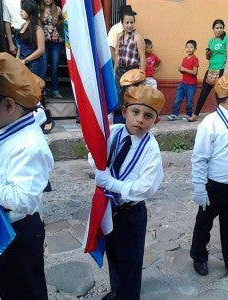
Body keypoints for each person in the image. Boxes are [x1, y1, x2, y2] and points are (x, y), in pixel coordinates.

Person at [91, 69, 165, 299]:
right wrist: (96, 162)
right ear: (124, 111)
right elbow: (94, 155)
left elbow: (146, 187)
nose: (140, 120)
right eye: (135, 112)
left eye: (148, 116)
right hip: (109, 208)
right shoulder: (113, 133)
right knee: (113, 254)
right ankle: (117, 291)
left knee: (130, 261)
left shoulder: (150, 149)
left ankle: (127, 295)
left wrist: (112, 183)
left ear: (156, 121)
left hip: (131, 213)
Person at [0, 52, 54, 299]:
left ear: (9, 105)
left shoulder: (30, 146)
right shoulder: (6, 125)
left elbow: (24, 199)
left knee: (24, 288)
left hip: (19, 231)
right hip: (5, 223)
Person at [190, 73, 228, 276]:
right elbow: (199, 158)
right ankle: (198, 256)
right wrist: (199, 188)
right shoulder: (210, 123)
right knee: (204, 223)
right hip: (214, 185)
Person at [16, 0, 55, 134]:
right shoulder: (23, 25)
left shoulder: (37, 28)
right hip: (23, 63)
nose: (21, 11)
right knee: (25, 93)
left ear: (30, 11)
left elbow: (41, 50)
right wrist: (17, 61)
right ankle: (33, 120)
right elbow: (20, 47)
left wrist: (25, 61)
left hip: (34, 63)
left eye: (23, 9)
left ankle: (48, 119)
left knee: (36, 92)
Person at [188, 19, 228, 122]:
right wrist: (208, 53)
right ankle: (195, 115)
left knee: (219, 94)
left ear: (223, 29)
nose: (219, 30)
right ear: (213, 29)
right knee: (203, 93)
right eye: (217, 28)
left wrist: (225, 73)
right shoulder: (211, 41)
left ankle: (223, 116)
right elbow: (208, 57)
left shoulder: (226, 39)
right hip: (210, 70)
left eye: (221, 28)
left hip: (222, 69)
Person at [113, 8, 145, 124]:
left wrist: (142, 75)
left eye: (132, 22)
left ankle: (130, 122)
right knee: (117, 96)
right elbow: (118, 55)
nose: (130, 25)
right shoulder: (119, 36)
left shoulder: (138, 37)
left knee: (130, 97)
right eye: (127, 22)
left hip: (132, 72)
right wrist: (114, 71)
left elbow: (142, 58)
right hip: (120, 71)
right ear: (122, 23)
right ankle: (118, 122)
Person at [168, 40, 199, 121]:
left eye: (191, 47)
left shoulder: (195, 59)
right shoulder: (184, 59)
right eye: (187, 47)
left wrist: (184, 69)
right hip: (183, 83)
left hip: (191, 85)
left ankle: (188, 115)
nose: (189, 49)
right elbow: (184, 71)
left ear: (195, 49)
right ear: (185, 48)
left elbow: (194, 72)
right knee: (177, 99)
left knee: (189, 101)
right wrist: (180, 70)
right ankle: (175, 114)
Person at [39, 0, 64, 99]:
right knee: (43, 67)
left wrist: (60, 35)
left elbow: (63, 24)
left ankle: (55, 91)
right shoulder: (38, 10)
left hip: (56, 43)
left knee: (54, 68)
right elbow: (36, 26)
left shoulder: (58, 9)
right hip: (43, 43)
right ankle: (41, 91)